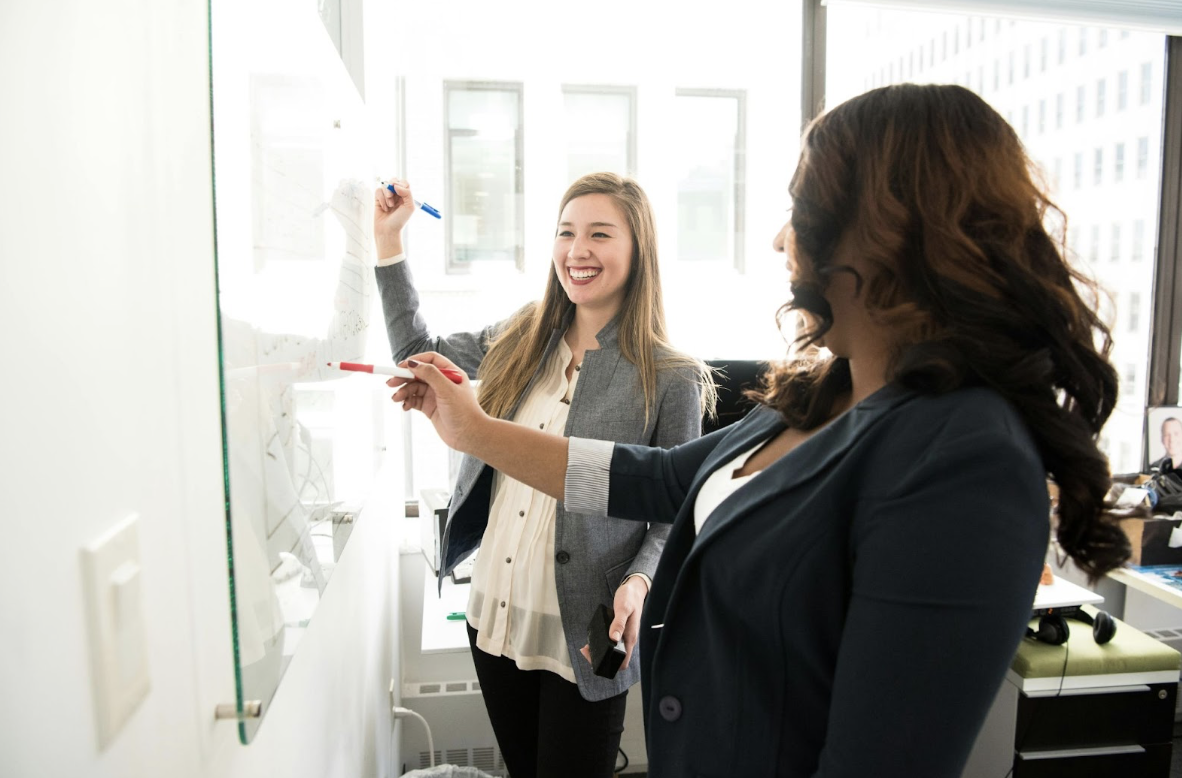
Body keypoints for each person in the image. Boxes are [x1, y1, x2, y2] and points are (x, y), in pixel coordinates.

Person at [385, 84, 1131, 777]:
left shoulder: (963, 456)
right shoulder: (815, 397)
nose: (780, 240)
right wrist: (474, 432)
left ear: (886, 229)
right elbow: (658, 477)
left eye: (800, 207)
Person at [373, 172, 713, 778]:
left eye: (599, 234)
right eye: (566, 232)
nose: (577, 250)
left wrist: (639, 579)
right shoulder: (521, 336)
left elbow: (675, 509)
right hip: (495, 613)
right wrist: (388, 243)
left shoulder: (671, 376)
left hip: (586, 629)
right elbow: (417, 351)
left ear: (639, 251)